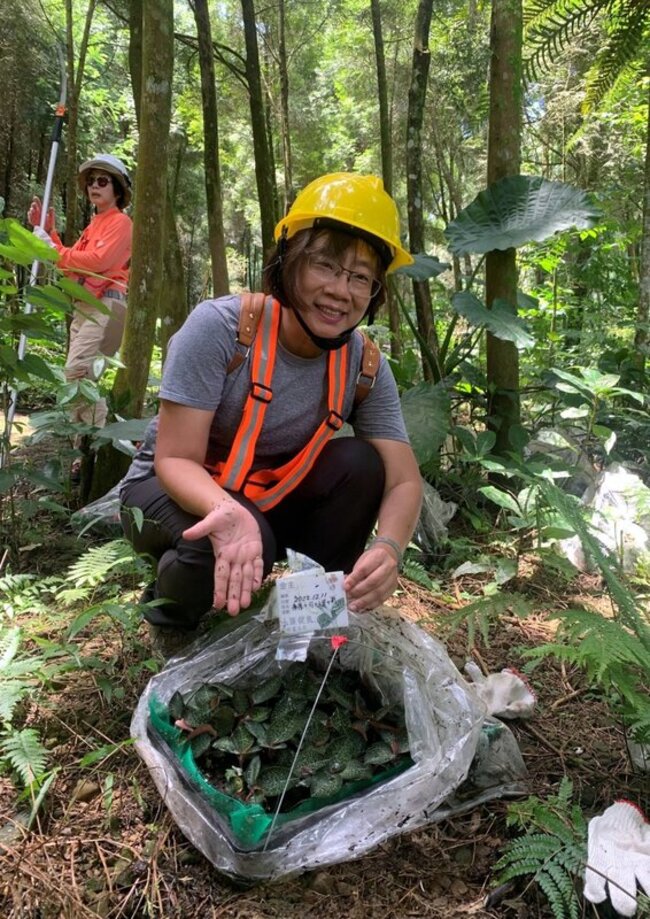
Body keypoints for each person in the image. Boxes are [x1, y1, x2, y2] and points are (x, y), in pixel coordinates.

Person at [119, 172, 423, 646]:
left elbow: (404, 479)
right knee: (224, 537)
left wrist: (389, 548)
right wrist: (227, 513)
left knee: (361, 464)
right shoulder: (221, 328)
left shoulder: (363, 365)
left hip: (265, 500)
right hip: (167, 488)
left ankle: (312, 625)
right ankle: (173, 620)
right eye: (324, 265)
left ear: (374, 293)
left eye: (360, 278)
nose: (341, 291)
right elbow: (174, 458)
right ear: (287, 263)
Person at [28, 154, 133, 480]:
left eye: (102, 181)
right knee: (80, 381)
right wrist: (50, 236)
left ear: (117, 189)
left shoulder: (120, 223)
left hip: (106, 306)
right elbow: (73, 267)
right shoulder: (94, 225)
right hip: (85, 307)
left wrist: (54, 249)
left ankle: (98, 454)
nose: (94, 186)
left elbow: (97, 261)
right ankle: (83, 456)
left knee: (79, 375)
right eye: (91, 181)